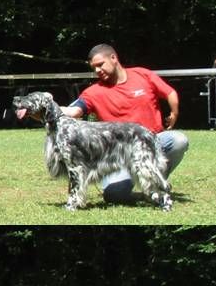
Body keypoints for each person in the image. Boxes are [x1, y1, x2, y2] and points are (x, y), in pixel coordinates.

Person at [61, 44, 189, 205]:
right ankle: (145, 191)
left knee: (178, 140)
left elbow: (170, 92)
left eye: (100, 65)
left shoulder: (142, 75)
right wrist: (48, 109)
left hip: (150, 142)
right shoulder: (93, 92)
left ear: (113, 58)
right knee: (114, 195)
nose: (97, 71)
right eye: (94, 68)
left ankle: (155, 186)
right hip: (117, 153)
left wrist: (174, 112)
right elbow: (73, 111)